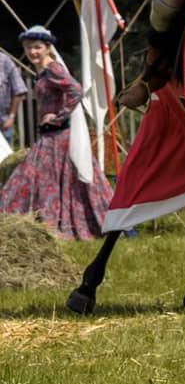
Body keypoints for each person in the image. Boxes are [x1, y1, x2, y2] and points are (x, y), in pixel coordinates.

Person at [0, 26, 113, 240]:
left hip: (59, 136)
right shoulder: (44, 71)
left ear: (47, 48)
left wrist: (58, 116)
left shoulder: (53, 69)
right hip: (50, 137)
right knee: (46, 181)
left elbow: (76, 90)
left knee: (27, 177)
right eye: (29, 48)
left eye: (37, 48)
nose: (33, 52)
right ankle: (40, 222)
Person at [1, 49, 27, 147]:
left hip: (2, 126)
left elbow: (19, 90)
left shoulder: (4, 61)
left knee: (3, 161)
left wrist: (11, 117)